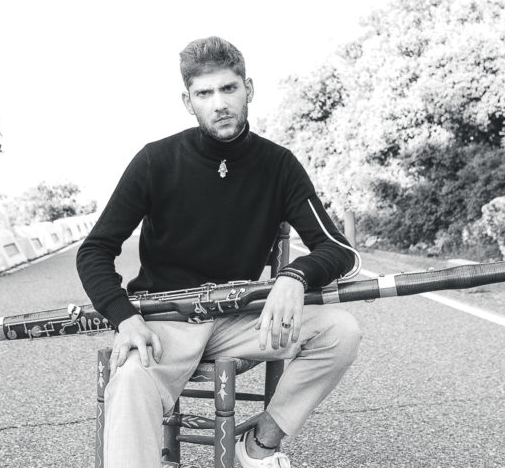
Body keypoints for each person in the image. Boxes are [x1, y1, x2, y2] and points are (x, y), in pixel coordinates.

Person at [77, 36, 361, 468]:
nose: (219, 103)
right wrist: (125, 318)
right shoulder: (156, 160)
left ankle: (259, 446)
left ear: (249, 88)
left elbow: (338, 249)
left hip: (242, 317)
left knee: (341, 331)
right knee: (131, 379)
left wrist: (294, 276)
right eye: (204, 93)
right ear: (187, 101)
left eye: (228, 89)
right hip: (167, 319)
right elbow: (94, 250)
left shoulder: (278, 164)